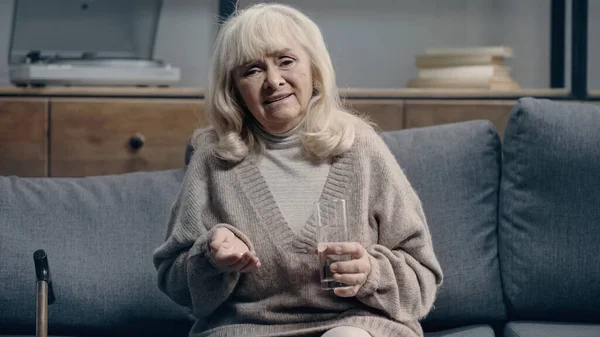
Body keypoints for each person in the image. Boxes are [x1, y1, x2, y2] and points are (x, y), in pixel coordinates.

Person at [153, 3, 443, 337]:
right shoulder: (212, 159)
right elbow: (173, 282)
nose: (273, 81)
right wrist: (210, 257)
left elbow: (422, 278)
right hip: (246, 329)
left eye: (286, 61)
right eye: (252, 70)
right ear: (234, 89)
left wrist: (371, 273)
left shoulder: (361, 147)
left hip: (353, 325)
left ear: (314, 69)